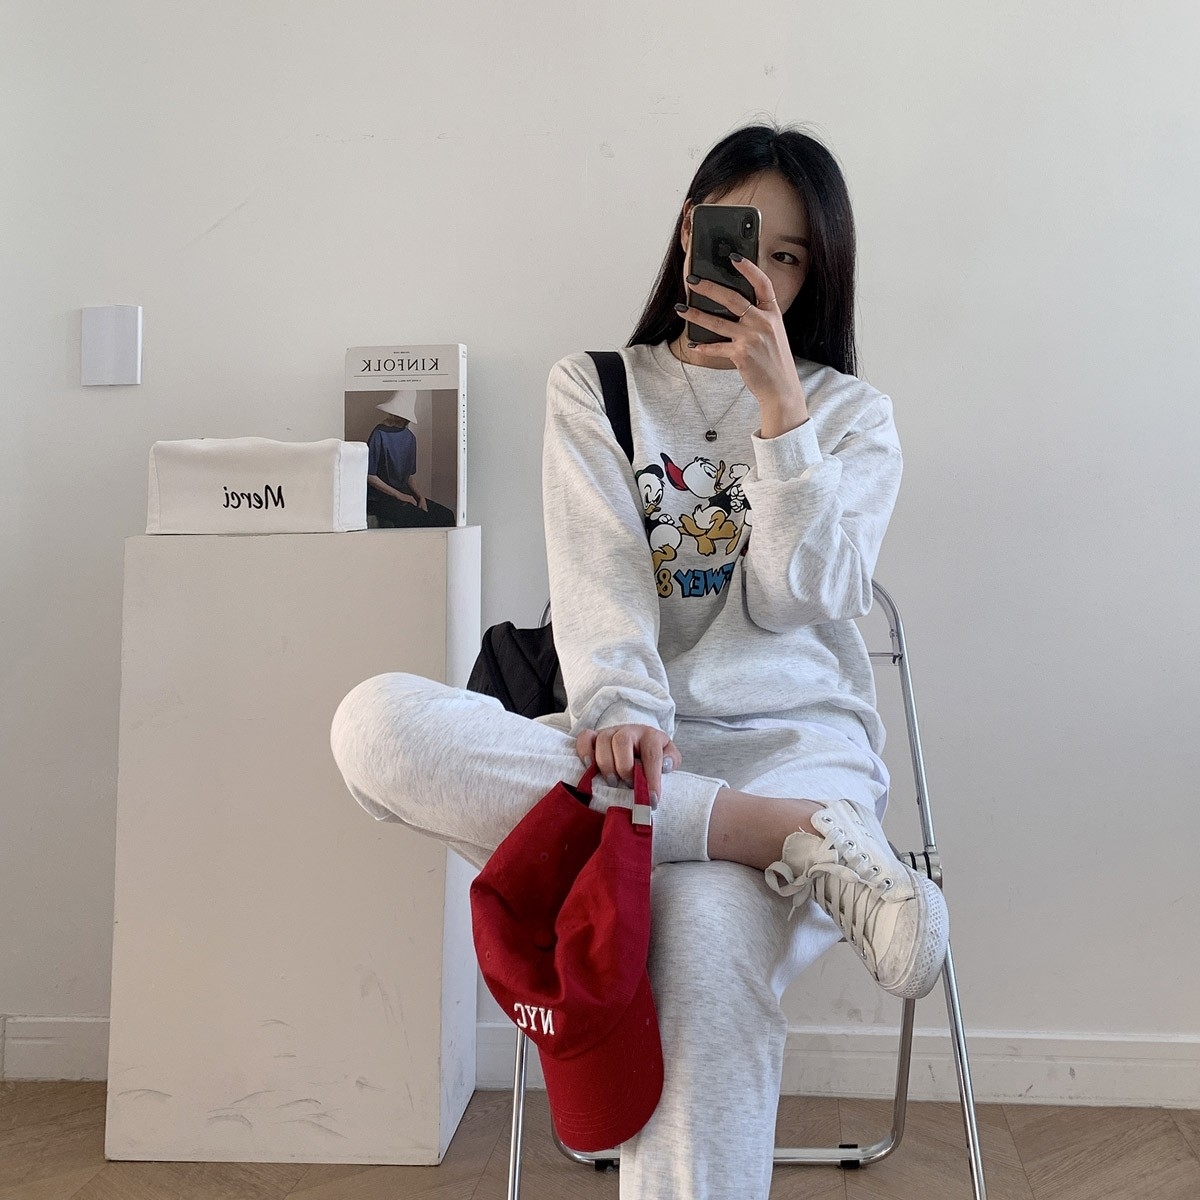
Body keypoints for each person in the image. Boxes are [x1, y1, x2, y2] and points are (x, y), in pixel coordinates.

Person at [330, 122, 948, 1200]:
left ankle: (787, 823)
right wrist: (620, 706)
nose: (762, 275)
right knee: (372, 727)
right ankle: (794, 840)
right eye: (745, 240)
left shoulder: (852, 416)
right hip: (635, 751)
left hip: (794, 748)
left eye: (790, 257)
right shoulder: (598, 387)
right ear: (693, 229)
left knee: (700, 939)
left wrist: (783, 417)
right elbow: (598, 578)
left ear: (820, 272)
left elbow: (796, 595)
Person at [365, 393, 455, 527]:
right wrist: (399, 495)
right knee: (419, 518)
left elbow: (408, 476)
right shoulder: (379, 433)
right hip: (379, 498)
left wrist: (420, 497)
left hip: (403, 494)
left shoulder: (410, 438)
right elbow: (370, 475)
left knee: (446, 515)